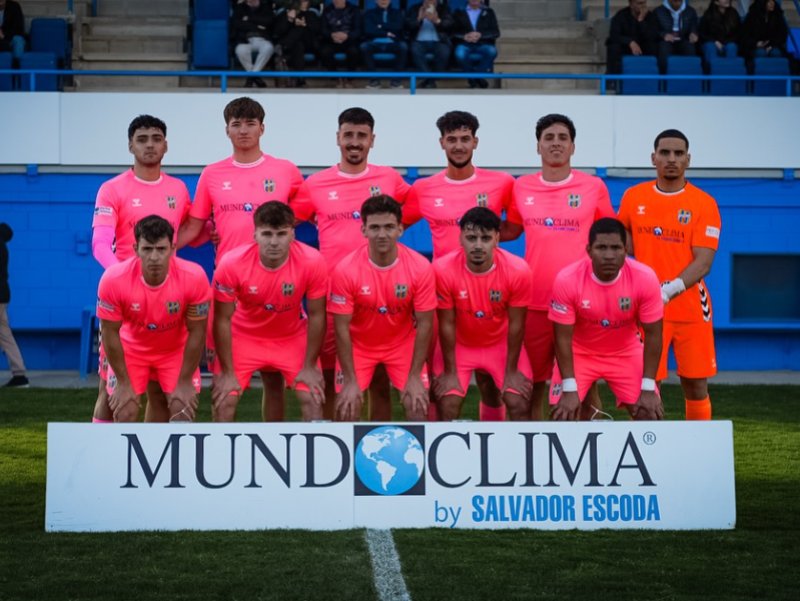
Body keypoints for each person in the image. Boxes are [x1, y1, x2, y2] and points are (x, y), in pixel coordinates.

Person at [178, 97, 303, 420]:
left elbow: (303, 213)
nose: (244, 130)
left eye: (250, 123)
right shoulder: (212, 174)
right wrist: (162, 249)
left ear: (262, 128)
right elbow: (195, 224)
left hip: (279, 283)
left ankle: (275, 444)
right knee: (224, 379)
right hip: (230, 289)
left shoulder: (285, 170)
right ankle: (223, 453)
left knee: (275, 378)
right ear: (227, 130)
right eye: (237, 124)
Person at [290, 107, 411, 420]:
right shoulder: (315, 183)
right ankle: (334, 440)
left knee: (379, 379)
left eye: (361, 135)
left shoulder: (389, 178)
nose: (354, 142)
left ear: (372, 140)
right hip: (333, 295)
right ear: (338, 138)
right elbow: (284, 223)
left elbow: (410, 213)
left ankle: (376, 442)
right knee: (332, 377)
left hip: (380, 295)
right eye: (348, 135)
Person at [502, 113, 615, 420]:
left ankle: (594, 450)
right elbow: (510, 230)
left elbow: (610, 236)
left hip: (582, 303)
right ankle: (535, 452)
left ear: (573, 147)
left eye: (562, 138)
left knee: (584, 384)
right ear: (538, 147)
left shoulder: (593, 186)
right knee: (534, 385)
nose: (555, 144)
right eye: (548, 138)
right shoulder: (521, 187)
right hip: (535, 300)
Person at [402, 110, 514, 421]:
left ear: (475, 141)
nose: (459, 145)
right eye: (452, 139)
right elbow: (397, 225)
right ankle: (439, 445)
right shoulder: (424, 188)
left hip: (489, 293)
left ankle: (493, 443)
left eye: (465, 139)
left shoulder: (501, 183)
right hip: (441, 296)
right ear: (442, 143)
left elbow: (514, 228)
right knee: (441, 379)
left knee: (492, 381)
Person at [91, 114, 193, 423]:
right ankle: (99, 460)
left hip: (168, 303)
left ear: (166, 145)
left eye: (156, 139)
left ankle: (151, 464)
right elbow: (100, 244)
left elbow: (184, 234)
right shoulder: (112, 189)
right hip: (124, 302)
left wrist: (209, 232)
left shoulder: (178, 189)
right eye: (142, 139)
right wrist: (125, 279)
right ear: (130, 146)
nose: (149, 145)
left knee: (160, 391)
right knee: (111, 394)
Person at [617, 129, 721, 421]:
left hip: (690, 307)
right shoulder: (633, 197)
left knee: (695, 383)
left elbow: (703, 262)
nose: (671, 159)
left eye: (678, 153)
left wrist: (666, 291)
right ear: (654, 158)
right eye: (665, 153)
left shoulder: (704, 203)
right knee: (647, 384)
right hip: (646, 309)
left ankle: (699, 448)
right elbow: (620, 243)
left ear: (688, 159)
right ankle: (648, 450)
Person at [211, 202, 327, 422]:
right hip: (244, 337)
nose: (274, 242)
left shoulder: (312, 261)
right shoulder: (232, 263)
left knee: (313, 399)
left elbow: (317, 315)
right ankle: (219, 455)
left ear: (293, 234)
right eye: (267, 234)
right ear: (255, 234)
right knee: (224, 400)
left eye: (281, 234)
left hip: (291, 338)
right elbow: (222, 318)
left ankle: (307, 456)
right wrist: (227, 371)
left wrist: (310, 365)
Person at [329, 195, 436, 422]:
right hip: (359, 346)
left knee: (417, 406)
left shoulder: (420, 267)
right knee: (347, 407)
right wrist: (349, 379)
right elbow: (341, 328)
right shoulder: (345, 270)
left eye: (389, 227)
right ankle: (348, 457)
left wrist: (415, 375)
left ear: (400, 229)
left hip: (401, 345)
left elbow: (426, 323)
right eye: (375, 227)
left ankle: (419, 457)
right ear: (364, 230)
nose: (382, 234)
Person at [96, 216, 210, 423]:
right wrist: (122, 382)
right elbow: (109, 331)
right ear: (135, 248)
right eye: (147, 249)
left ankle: (164, 456)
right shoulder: (113, 279)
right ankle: (114, 455)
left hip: (173, 351)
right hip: (131, 350)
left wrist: (184, 381)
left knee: (181, 411)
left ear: (173, 247)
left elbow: (198, 331)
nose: (154, 257)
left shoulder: (194, 277)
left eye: (161, 249)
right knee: (124, 410)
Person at [549, 218, 664, 421]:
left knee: (649, 413)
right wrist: (569, 387)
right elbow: (562, 338)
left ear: (626, 249)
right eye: (601, 248)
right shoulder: (567, 279)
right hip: (580, 353)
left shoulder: (645, 278)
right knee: (563, 414)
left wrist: (648, 387)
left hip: (625, 351)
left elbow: (654, 335)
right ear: (588, 250)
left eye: (615, 248)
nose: (609, 255)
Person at [433, 207, 533, 421]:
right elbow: (446, 323)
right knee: (446, 402)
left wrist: (512, 371)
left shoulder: (518, 270)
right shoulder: (442, 269)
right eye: (471, 238)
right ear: (460, 238)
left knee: (519, 402)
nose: (478, 245)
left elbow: (517, 324)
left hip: (500, 344)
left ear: (497, 239)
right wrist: (450, 373)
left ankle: (506, 452)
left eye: (485, 238)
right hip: (460, 345)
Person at [0, 222, 28, 388]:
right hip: (4, 294)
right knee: (4, 334)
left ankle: (19, 374)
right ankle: (19, 374)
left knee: (4, 334)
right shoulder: (4, 248)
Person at [451, 0, 500, 89]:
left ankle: (474, 77)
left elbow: (495, 32)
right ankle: (477, 78)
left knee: (492, 51)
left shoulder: (489, 12)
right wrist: (464, 36)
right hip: (465, 44)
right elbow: (452, 32)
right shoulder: (459, 11)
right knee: (459, 53)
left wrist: (481, 35)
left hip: (483, 43)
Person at [273, 0, 322, 87]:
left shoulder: (311, 14)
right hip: (295, 46)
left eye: (305, 1)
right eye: (301, 1)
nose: (303, 3)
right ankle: (300, 79)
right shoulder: (286, 14)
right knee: (298, 46)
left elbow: (317, 30)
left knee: (300, 30)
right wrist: (289, 19)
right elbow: (277, 31)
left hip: (309, 43)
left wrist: (304, 25)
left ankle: (283, 45)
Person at [406, 0, 454, 89]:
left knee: (444, 51)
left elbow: (450, 25)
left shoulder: (444, 8)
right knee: (414, 49)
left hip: (439, 41)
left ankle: (432, 78)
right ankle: (429, 79)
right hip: (419, 41)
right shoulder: (415, 8)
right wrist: (419, 18)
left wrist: (437, 20)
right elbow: (408, 26)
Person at [360, 0, 407, 89]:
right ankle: (374, 81)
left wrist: (380, 26)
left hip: (393, 42)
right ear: (376, 1)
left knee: (403, 47)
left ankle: (396, 82)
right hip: (374, 42)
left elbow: (398, 27)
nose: (383, 1)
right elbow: (369, 30)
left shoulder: (397, 13)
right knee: (364, 47)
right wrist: (386, 33)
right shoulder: (369, 13)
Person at [605, 0, 659, 76]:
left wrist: (641, 20)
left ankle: (654, 80)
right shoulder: (621, 15)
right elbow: (614, 35)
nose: (643, 6)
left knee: (656, 46)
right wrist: (630, 42)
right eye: (639, 3)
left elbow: (651, 36)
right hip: (626, 47)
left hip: (643, 47)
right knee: (613, 47)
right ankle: (612, 81)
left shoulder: (650, 16)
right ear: (631, 4)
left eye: (644, 3)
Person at [233, 0, 276, 89]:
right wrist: (258, 26)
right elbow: (237, 24)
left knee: (268, 48)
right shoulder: (241, 8)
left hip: (263, 39)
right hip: (245, 40)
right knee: (240, 50)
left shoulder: (266, 7)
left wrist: (249, 19)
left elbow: (269, 22)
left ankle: (251, 77)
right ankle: (255, 76)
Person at [319, 0, 362, 85]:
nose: (336, 1)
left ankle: (350, 78)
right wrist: (331, 35)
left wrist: (347, 36)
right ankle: (335, 77)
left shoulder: (354, 10)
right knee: (325, 51)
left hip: (349, 40)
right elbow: (323, 29)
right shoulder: (327, 10)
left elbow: (358, 30)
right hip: (331, 40)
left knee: (354, 51)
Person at [653, 0, 699, 73]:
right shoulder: (658, 11)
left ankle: (689, 78)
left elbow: (694, 27)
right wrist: (663, 35)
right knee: (663, 50)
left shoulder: (690, 11)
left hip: (684, 39)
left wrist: (693, 34)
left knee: (690, 49)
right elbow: (654, 30)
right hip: (666, 41)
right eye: (675, 1)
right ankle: (664, 78)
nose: (677, 3)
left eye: (679, 1)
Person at [699, 0, 741, 65]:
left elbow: (738, 33)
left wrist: (725, 42)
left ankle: (730, 71)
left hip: (729, 42)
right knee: (710, 47)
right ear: (716, 2)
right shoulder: (709, 14)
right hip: (712, 42)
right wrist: (715, 42)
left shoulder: (734, 14)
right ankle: (713, 71)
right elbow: (703, 33)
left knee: (731, 47)